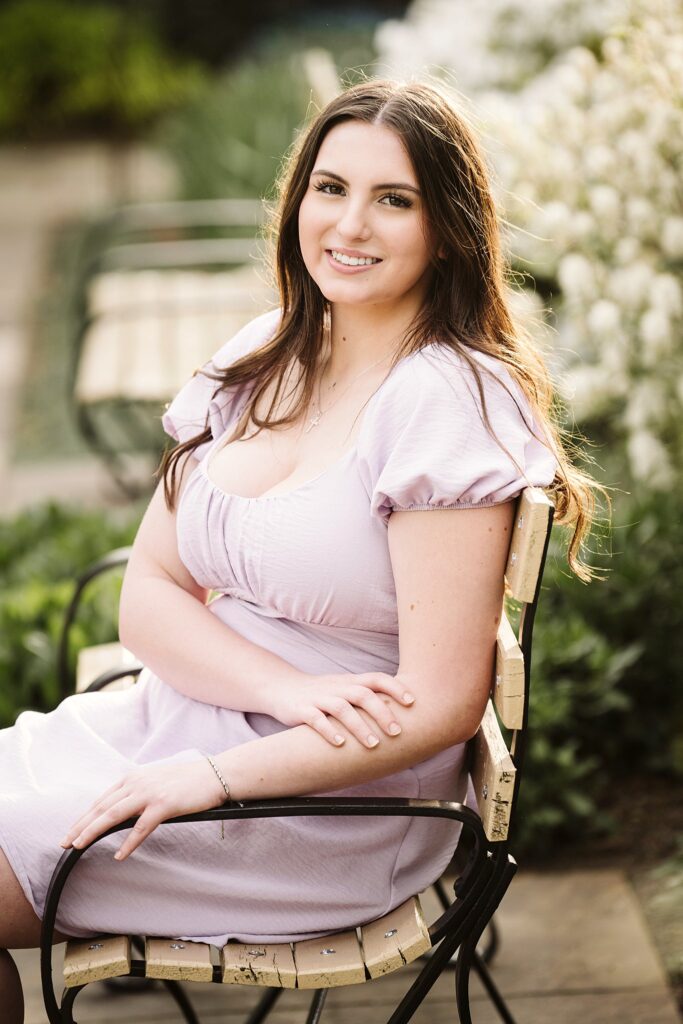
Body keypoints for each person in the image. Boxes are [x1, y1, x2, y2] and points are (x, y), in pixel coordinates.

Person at [0, 78, 597, 1021]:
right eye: (330, 188)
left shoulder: (443, 402)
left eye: (392, 199)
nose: (349, 225)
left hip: (321, 804)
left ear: (446, 225)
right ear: (296, 199)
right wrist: (274, 689)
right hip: (177, 724)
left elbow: (441, 703)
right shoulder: (266, 351)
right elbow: (149, 591)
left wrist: (211, 778)